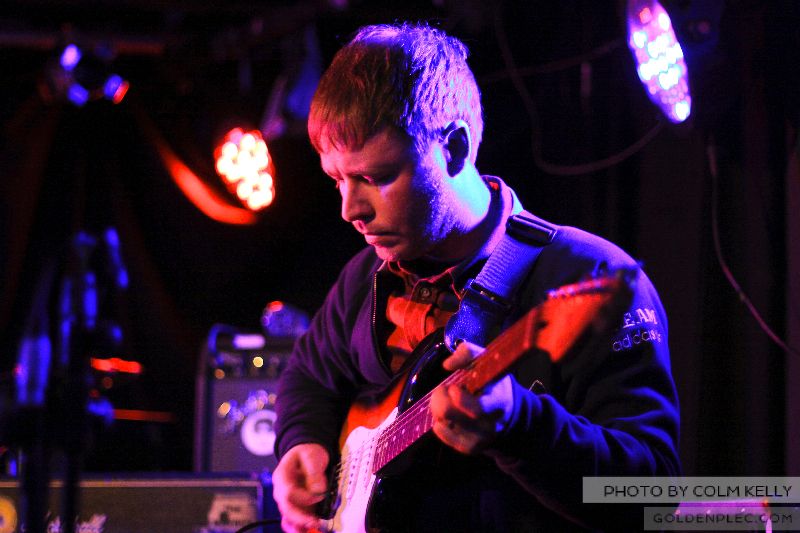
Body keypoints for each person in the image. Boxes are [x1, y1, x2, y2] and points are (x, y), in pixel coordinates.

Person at [272, 22, 680, 532]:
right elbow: (307, 375)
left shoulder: (591, 273)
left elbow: (656, 496)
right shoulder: (363, 278)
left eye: (374, 178)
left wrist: (522, 424)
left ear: (456, 148)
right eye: (337, 179)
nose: (349, 209)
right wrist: (301, 440)